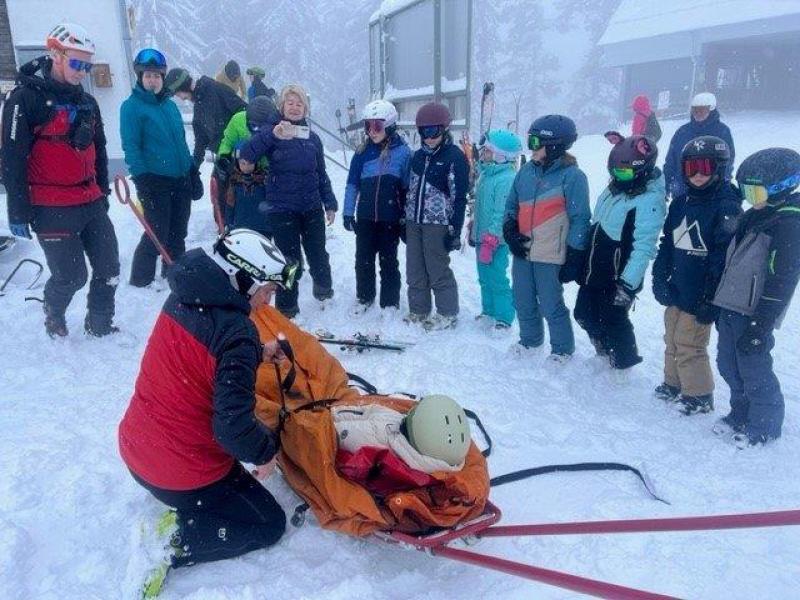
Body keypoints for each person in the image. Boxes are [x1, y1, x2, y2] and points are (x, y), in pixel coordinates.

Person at [119, 229, 297, 588]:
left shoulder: (185, 296)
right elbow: (232, 429)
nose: (267, 302)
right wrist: (266, 453)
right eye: (267, 290)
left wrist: (252, 354)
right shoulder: (237, 332)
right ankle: (171, 543)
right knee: (268, 523)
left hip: (136, 447)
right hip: (180, 472)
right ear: (243, 279)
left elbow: (202, 356)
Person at [1, 23, 120, 337]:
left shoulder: (87, 102)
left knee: (109, 269)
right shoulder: (25, 99)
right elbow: (12, 158)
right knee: (71, 277)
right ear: (55, 54)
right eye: (77, 63)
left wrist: (103, 191)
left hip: (90, 201)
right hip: (50, 206)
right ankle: (53, 311)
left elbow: (101, 150)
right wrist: (17, 210)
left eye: (87, 66)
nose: (83, 72)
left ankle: (100, 323)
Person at [711, 148, 800, 447]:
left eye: (756, 191)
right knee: (727, 363)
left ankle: (764, 424)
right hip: (731, 304)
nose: (750, 198)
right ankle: (741, 412)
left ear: (781, 188)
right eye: (746, 190)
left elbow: (782, 280)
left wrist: (761, 323)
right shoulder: (754, 215)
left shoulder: (789, 225)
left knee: (754, 368)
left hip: (755, 311)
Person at [652, 136, 742, 415]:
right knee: (672, 338)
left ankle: (699, 395)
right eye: (692, 169)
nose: (699, 175)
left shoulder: (726, 205)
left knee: (690, 344)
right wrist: (660, 276)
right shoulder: (681, 202)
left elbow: (723, 257)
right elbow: (668, 241)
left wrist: (710, 298)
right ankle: (673, 383)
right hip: (679, 285)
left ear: (719, 168)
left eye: (705, 167)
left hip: (702, 290)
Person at [238, 84, 338, 318]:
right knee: (289, 261)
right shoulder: (271, 133)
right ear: (282, 107)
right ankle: (287, 308)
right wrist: (272, 133)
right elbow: (247, 154)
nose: (294, 107)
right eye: (290, 103)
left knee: (318, 253)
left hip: (311, 207)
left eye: (299, 103)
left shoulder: (313, 139)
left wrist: (329, 202)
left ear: (306, 109)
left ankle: (324, 291)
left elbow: (321, 173)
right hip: (282, 210)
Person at [575, 135, 666, 375]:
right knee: (583, 314)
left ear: (643, 171)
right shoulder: (615, 188)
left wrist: (628, 285)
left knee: (613, 319)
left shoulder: (648, 201)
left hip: (618, 275)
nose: (617, 177)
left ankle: (623, 363)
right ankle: (604, 351)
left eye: (624, 173)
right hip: (595, 268)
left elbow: (643, 247)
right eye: (613, 171)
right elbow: (597, 224)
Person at [503, 115, 591, 361]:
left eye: (535, 142)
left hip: (551, 254)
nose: (531, 148)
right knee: (522, 299)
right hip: (524, 250)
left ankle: (562, 349)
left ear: (554, 146)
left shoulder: (573, 177)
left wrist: (574, 254)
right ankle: (530, 342)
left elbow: (580, 218)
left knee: (551, 304)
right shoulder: (526, 173)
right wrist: (510, 230)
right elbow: (511, 205)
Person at [121, 48, 201, 288]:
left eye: (157, 76)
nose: (152, 80)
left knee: (179, 230)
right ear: (140, 77)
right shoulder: (131, 107)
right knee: (157, 232)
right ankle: (140, 280)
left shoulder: (169, 106)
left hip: (180, 178)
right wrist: (142, 177)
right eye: (148, 76)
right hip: (154, 181)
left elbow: (180, 141)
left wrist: (192, 172)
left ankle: (173, 273)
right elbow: (131, 146)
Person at [404, 102, 470, 331]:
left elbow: (459, 196)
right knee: (414, 269)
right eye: (424, 132)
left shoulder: (454, 157)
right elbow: (409, 189)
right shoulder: (417, 157)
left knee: (437, 268)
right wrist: (405, 219)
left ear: (444, 130)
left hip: (438, 224)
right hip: (414, 222)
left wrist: (455, 229)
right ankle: (419, 310)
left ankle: (447, 312)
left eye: (434, 132)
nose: (429, 137)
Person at [343, 99, 411, 313]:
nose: (371, 132)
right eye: (368, 126)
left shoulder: (403, 153)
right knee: (363, 260)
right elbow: (352, 184)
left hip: (389, 219)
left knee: (388, 261)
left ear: (390, 126)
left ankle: (389, 302)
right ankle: (365, 297)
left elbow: (408, 190)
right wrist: (347, 212)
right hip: (365, 218)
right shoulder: (362, 153)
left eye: (377, 126)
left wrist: (405, 218)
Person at [470, 129, 522, 331]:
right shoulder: (487, 174)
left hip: (496, 241)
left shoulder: (506, 179)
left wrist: (492, 238)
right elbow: (481, 207)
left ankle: (504, 316)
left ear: (502, 155)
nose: (484, 154)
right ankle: (489, 310)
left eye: (489, 151)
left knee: (497, 277)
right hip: (482, 236)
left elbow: (501, 213)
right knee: (484, 276)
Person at [215, 96, 280, 232]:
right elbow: (227, 141)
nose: (258, 131)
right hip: (240, 169)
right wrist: (224, 158)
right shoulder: (237, 120)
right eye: (254, 126)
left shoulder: (277, 127)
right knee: (231, 195)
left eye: (263, 127)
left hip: (265, 172)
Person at [164, 67, 246, 167]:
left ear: (184, 86)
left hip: (243, 157)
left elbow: (243, 110)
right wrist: (194, 166)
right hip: (224, 159)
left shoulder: (216, 89)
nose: (181, 98)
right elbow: (201, 140)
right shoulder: (198, 108)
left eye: (178, 93)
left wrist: (242, 144)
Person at [664, 92, 735, 199]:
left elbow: (727, 160)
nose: (698, 113)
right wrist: (666, 184)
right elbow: (671, 160)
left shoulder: (722, 131)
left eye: (702, 110)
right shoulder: (682, 132)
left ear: (711, 109)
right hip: (682, 190)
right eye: (695, 110)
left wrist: (722, 182)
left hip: (710, 192)